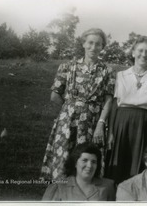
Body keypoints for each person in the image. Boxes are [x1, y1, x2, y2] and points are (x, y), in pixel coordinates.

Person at [41, 28, 115, 180]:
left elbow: (108, 101)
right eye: (90, 43)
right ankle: (60, 194)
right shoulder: (67, 67)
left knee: (88, 158)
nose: (93, 47)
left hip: (93, 123)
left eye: (98, 44)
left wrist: (101, 125)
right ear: (83, 44)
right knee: (64, 158)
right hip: (68, 122)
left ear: (102, 47)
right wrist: (70, 108)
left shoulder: (108, 71)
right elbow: (54, 95)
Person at [106, 36, 147, 184]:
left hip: (144, 125)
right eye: (140, 50)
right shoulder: (120, 76)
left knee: (138, 166)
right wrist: (111, 132)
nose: (143, 54)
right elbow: (114, 105)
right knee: (117, 163)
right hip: (122, 122)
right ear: (133, 53)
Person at [42, 143, 115, 201]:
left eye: (93, 162)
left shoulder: (108, 187)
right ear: (75, 163)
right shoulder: (58, 187)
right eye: (84, 160)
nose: (89, 166)